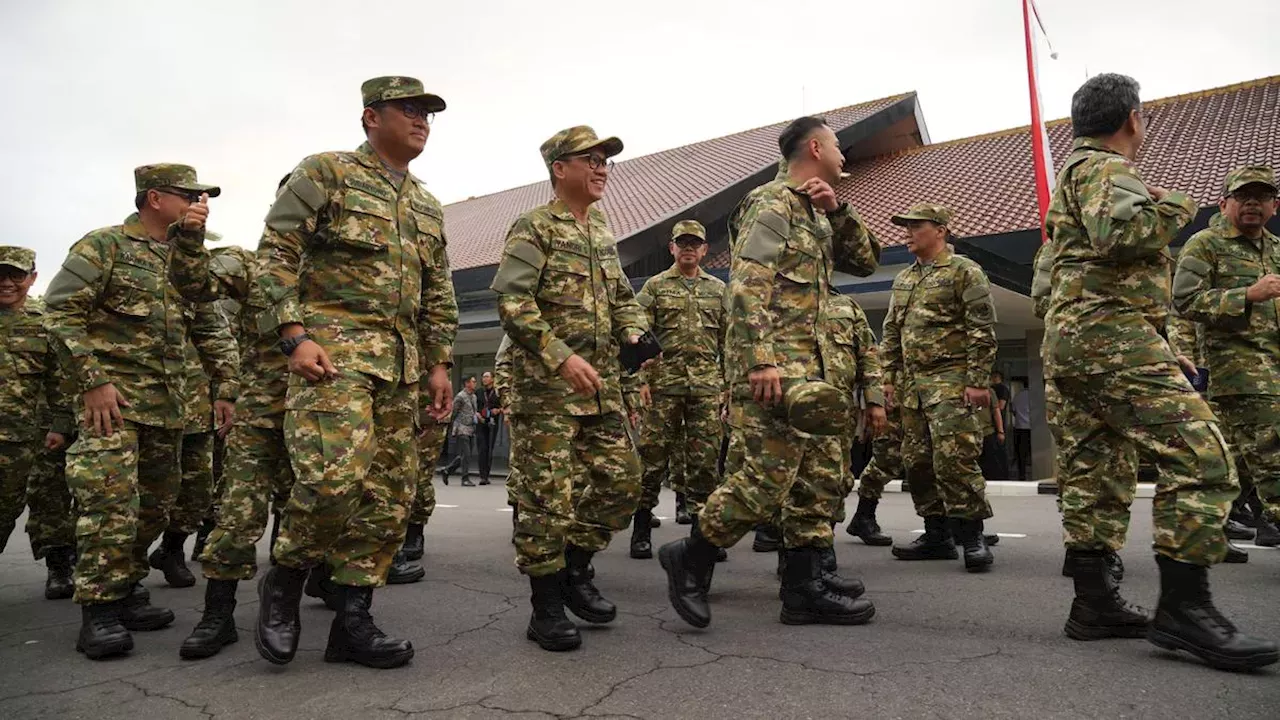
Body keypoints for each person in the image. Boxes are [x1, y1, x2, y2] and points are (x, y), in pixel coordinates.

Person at [1033, 73, 1275, 669]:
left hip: (1081, 343)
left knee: (1097, 471)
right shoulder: (1106, 170)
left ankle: (1093, 605)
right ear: (1133, 118)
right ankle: (1184, 612)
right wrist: (1178, 202)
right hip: (1107, 339)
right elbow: (1125, 235)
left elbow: (1063, 277)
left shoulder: (1071, 178)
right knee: (1203, 456)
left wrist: (1158, 340)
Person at [249, 76, 458, 669]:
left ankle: (353, 621)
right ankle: (286, 579)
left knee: (388, 498)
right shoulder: (325, 172)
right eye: (409, 110)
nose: (422, 121)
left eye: (428, 114)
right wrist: (293, 335)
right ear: (372, 117)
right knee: (332, 479)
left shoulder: (425, 202)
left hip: (403, 368)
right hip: (332, 358)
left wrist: (440, 362)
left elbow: (437, 291)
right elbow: (277, 251)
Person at [659, 116, 881, 629]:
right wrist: (760, 358)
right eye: (838, 145)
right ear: (815, 146)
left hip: (817, 368)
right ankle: (690, 555)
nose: (843, 154)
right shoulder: (771, 202)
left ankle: (804, 588)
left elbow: (867, 262)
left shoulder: (817, 209)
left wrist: (838, 209)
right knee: (766, 478)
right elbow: (745, 283)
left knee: (818, 480)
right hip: (777, 367)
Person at [43, 163, 231, 660]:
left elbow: (211, 328)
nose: (200, 203)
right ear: (154, 199)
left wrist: (226, 389)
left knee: (155, 507)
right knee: (109, 508)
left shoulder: (189, 261)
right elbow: (60, 312)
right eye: (189, 195)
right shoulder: (103, 247)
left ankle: (124, 588)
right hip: (112, 407)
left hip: (171, 409)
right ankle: (99, 612)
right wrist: (94, 380)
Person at [490, 125, 648, 652]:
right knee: (545, 500)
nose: (603, 168)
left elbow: (623, 293)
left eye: (607, 161)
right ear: (561, 169)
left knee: (623, 484)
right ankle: (546, 606)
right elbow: (513, 302)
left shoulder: (600, 228)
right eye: (592, 159)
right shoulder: (533, 227)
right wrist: (560, 357)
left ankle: (576, 568)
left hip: (601, 389)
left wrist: (633, 327)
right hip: (547, 391)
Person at [881, 206, 997, 572]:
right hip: (912, 387)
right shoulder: (903, 279)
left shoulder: (964, 271)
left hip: (950, 381)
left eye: (916, 226)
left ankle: (972, 535)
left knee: (955, 459)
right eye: (906, 226)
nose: (908, 232)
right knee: (916, 463)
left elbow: (982, 330)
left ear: (942, 231)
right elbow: (891, 333)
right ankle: (937, 535)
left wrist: (978, 381)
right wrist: (888, 378)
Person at [1174, 166, 1280, 552]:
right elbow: (1183, 302)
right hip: (1238, 372)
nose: (1253, 204)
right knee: (1272, 449)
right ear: (1224, 203)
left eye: (1262, 197)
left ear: (1274, 206)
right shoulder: (1205, 244)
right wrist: (1246, 295)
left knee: (1231, 460)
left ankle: (1204, 528)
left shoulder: (1276, 249)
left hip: (1274, 366)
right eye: (1243, 197)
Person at [632, 220, 726, 560]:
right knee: (652, 458)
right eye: (681, 242)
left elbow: (728, 341)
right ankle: (641, 528)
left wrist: (727, 387)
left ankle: (702, 539)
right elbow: (637, 337)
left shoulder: (718, 290)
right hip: (663, 387)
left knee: (704, 462)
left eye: (694, 243)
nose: (688, 248)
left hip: (704, 389)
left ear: (704, 249)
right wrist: (641, 383)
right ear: (671, 248)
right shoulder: (655, 288)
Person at [0, 247, 77, 600]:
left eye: (16, 275)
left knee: (52, 500)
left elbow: (61, 378)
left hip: (37, 432)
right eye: (0, 275)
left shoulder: (46, 319)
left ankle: (60, 569)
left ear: (31, 277)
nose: (7, 283)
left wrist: (61, 424)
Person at [147, 294, 238, 588]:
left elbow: (218, 343)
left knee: (198, 491)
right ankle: (125, 572)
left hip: (197, 406)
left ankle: (171, 548)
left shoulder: (195, 289)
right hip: (146, 404)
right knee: (147, 493)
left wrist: (225, 394)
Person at [446, 377, 480, 486]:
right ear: (467, 383)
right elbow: (454, 411)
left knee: (465, 455)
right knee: (466, 453)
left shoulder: (474, 397)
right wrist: (452, 427)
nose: (475, 383)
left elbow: (474, 411)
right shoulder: (460, 396)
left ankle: (447, 470)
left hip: (471, 428)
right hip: (461, 427)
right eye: (473, 381)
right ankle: (465, 478)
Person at [1010, 385, 1032, 482]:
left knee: (1021, 453)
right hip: (1034, 428)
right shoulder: (1036, 396)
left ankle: (1022, 475)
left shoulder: (1018, 396)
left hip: (1020, 427)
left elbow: (1013, 410)